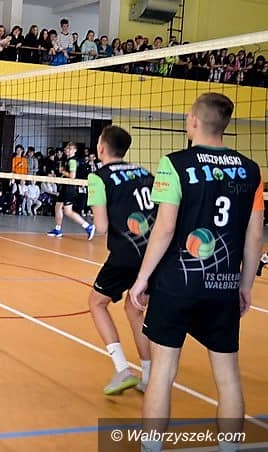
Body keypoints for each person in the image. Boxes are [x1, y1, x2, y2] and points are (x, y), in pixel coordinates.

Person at [129, 93, 264, 451]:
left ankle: (151, 446)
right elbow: (255, 236)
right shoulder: (251, 170)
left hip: (176, 283)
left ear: (193, 121)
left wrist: (142, 279)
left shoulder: (174, 164)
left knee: (162, 373)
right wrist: (245, 285)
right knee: (228, 377)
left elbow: (164, 229)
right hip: (223, 285)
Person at [86, 125, 154, 395]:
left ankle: (122, 369)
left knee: (96, 303)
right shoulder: (145, 173)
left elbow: (101, 227)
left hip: (125, 254)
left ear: (102, 147)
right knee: (134, 309)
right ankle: (149, 376)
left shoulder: (98, 178)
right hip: (153, 254)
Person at [46, 142, 95, 239]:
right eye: (67, 148)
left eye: (70, 148)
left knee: (68, 211)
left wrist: (62, 171)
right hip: (65, 187)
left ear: (75, 150)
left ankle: (88, 227)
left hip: (69, 188)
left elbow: (72, 176)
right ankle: (58, 229)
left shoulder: (72, 161)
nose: (68, 150)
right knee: (58, 207)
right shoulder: (67, 160)